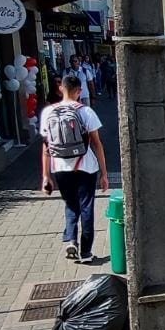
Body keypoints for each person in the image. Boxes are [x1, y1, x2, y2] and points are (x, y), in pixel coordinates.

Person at [40, 74, 109, 263]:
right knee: (86, 207)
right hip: (86, 167)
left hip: (60, 167)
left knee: (71, 205)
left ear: (61, 88)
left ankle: (71, 240)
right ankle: (86, 252)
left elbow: (46, 147)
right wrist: (104, 174)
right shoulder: (85, 112)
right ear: (79, 91)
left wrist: (46, 176)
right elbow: (97, 144)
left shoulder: (48, 112)